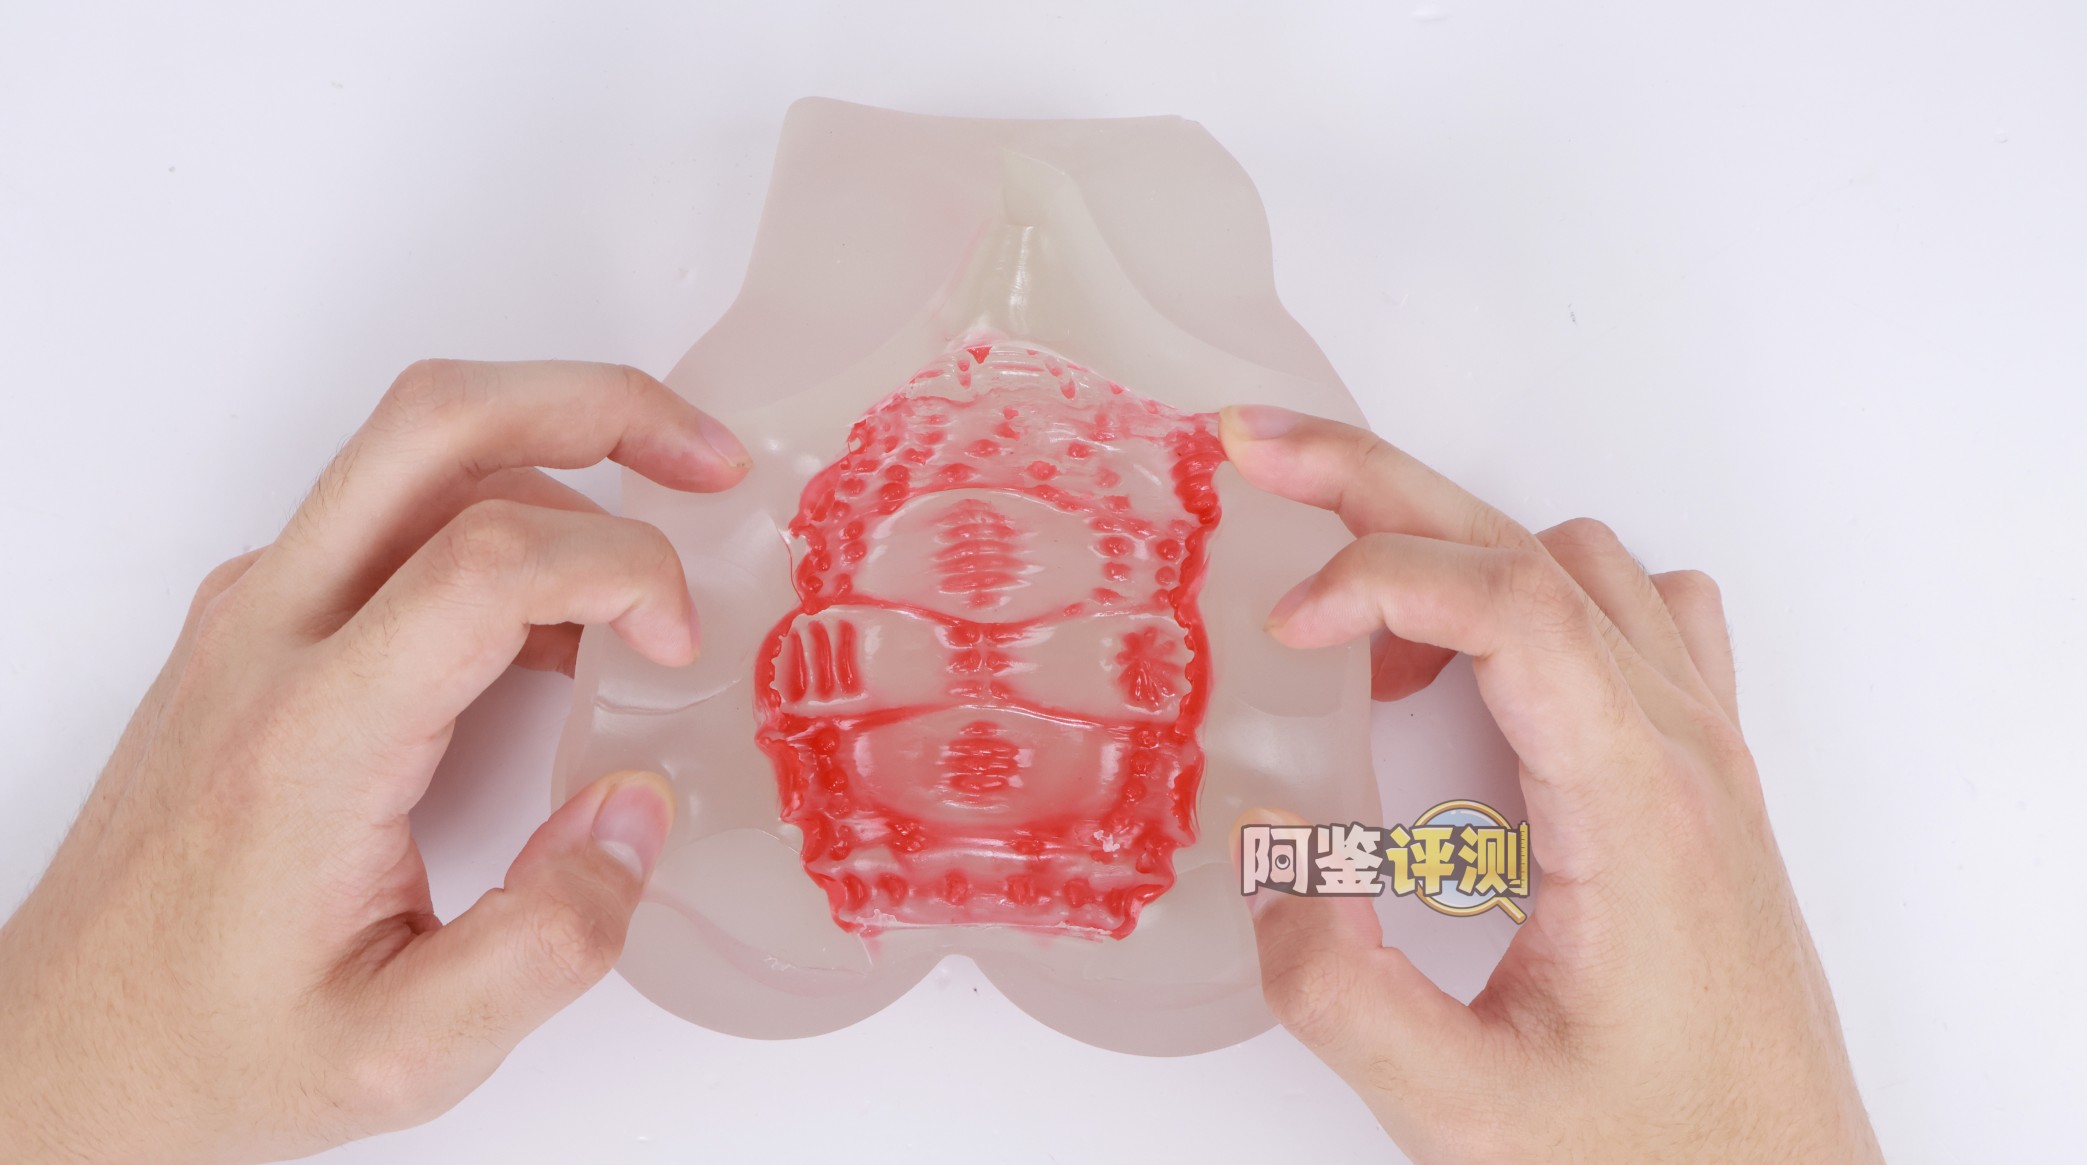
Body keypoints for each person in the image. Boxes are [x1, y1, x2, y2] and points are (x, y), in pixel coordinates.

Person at [0, 360, 1883, 1164]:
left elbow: (1356, 861)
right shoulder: (1307, 854)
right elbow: (1372, 863)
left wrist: (63, 1077)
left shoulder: (1289, 843)